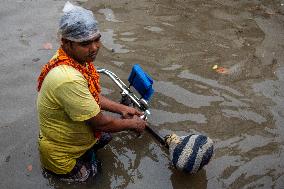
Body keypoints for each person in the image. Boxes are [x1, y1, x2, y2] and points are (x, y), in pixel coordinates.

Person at [36, 2, 146, 182]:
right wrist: (133, 124)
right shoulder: (68, 79)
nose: (95, 47)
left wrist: (121, 109)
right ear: (66, 43)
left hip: (72, 135)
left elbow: (90, 96)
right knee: (95, 178)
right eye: (85, 43)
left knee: (107, 137)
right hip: (61, 155)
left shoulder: (73, 60)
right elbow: (101, 124)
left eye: (97, 39)